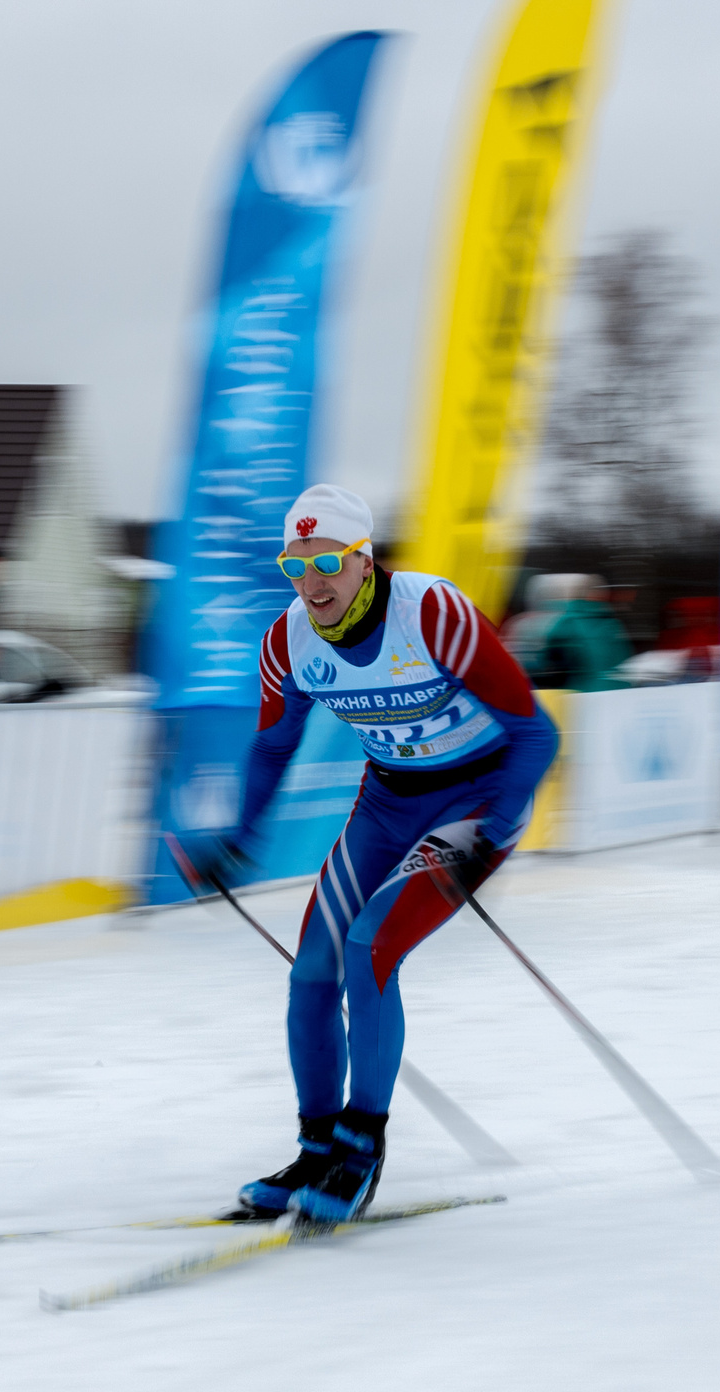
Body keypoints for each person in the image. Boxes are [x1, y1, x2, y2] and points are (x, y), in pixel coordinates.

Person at [187, 484, 557, 1224]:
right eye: (297, 565)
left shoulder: (431, 614)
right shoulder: (287, 641)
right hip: (389, 801)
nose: (313, 581)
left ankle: (363, 1145)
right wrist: (240, 840)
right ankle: (317, 1145)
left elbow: (536, 733)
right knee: (314, 968)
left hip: (477, 802)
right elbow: (271, 748)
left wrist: (494, 826)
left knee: (371, 947)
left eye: (328, 561)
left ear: (364, 560)